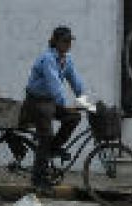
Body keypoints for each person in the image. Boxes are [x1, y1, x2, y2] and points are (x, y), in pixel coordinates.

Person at [23, 26, 86, 189]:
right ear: (56, 42)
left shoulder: (66, 59)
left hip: (50, 101)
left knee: (74, 118)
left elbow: (75, 80)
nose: (68, 45)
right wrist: (65, 105)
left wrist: (84, 99)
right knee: (46, 134)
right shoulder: (48, 59)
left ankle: (52, 149)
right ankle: (38, 178)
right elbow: (54, 85)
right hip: (36, 101)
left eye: (70, 41)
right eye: (65, 41)